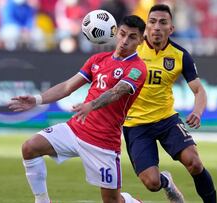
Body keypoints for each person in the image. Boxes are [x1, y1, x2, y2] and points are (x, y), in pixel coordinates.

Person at [8, 15, 147, 203]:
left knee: (112, 201)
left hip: (103, 143)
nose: (125, 41)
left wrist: (91, 105)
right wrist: (37, 99)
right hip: (76, 129)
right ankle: (42, 201)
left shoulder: (138, 68)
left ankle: (132, 201)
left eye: (132, 37)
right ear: (115, 33)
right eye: (122, 34)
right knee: (30, 147)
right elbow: (67, 87)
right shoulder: (98, 59)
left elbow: (117, 92)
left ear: (141, 40)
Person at [122, 4, 216, 203]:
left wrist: (197, 112)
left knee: (195, 163)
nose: (156, 27)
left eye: (163, 22)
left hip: (166, 120)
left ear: (171, 29)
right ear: (146, 26)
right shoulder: (132, 50)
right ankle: (167, 182)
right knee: (152, 183)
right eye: (152, 22)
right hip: (136, 125)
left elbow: (199, 90)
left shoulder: (180, 55)